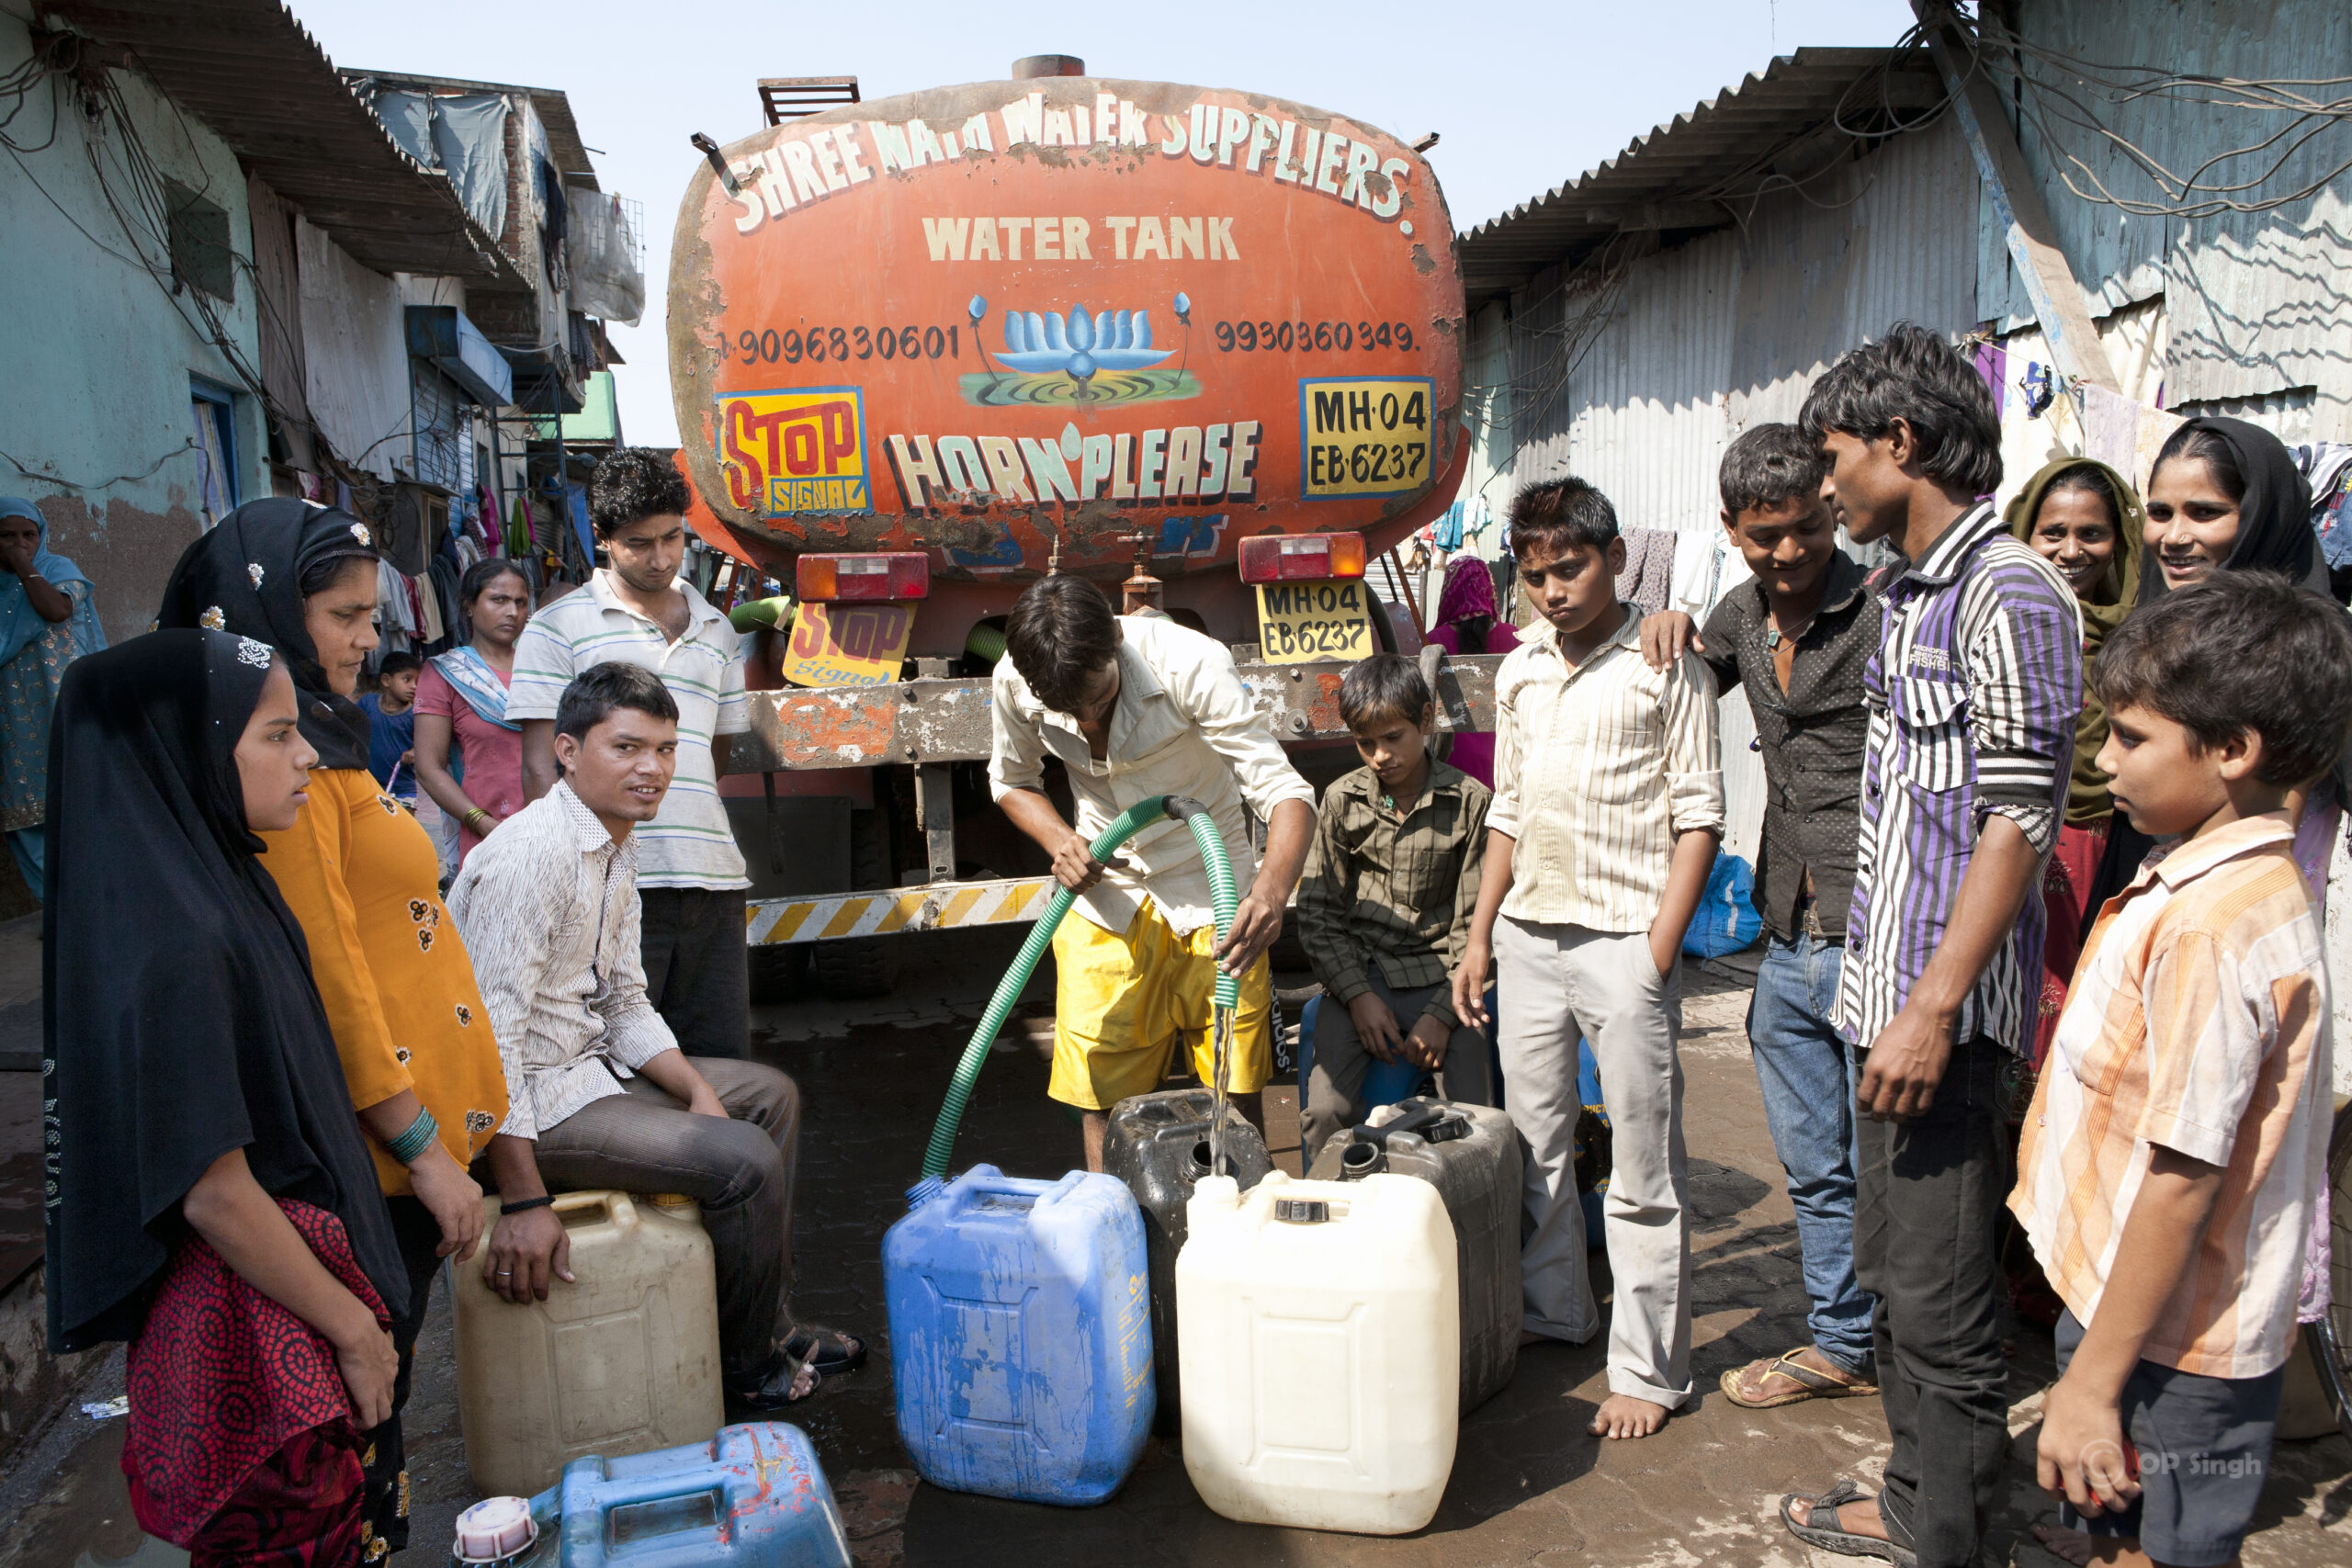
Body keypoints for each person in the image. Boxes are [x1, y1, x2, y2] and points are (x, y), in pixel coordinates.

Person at [1777, 325, 2080, 1568]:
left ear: (1901, 443)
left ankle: (1951, 1535)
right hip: (1884, 1004)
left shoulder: (2007, 588)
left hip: (1937, 1028)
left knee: (1945, 1308)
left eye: (1836, 457)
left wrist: (1930, 1006)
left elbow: (2020, 810)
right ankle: (1921, 1498)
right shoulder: (1913, 592)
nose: (1826, 485)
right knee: (1900, 1287)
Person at [156, 498, 509, 1561]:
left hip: (408, 1146)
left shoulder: (330, 739)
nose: (371, 640)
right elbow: (335, 978)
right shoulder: (281, 765)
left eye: (374, 615)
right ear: (261, 611)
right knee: (355, 1414)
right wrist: (420, 1150)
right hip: (366, 1155)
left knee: (378, 1410)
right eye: (346, 616)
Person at [44, 628, 407, 1565]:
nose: (308, 756)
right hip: (262, 1333)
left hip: (278, 1308)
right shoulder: (180, 942)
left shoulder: (215, 881)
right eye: (277, 736)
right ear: (192, 746)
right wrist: (355, 1331)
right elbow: (212, 1188)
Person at [2011, 572, 2347, 1568]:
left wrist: (2088, 1385)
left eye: (2129, 738)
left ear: (2233, 751)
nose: (2104, 761)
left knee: (2163, 1542)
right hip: (2135, 1310)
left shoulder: (2210, 928)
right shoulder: (2217, 883)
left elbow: (2182, 1174)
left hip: (2169, 1344)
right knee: (2111, 1526)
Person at [448, 661, 860, 1410]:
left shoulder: (617, 840)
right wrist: (523, 1200)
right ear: (568, 751)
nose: (652, 768)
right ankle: (744, 1373)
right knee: (744, 1159)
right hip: (529, 1107)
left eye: (666, 749)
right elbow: (487, 1046)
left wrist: (702, 1091)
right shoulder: (527, 856)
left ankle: (770, 1323)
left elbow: (625, 1001)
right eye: (628, 747)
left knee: (766, 1096)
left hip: (585, 1070)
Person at [1452, 476, 1724, 1441]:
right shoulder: (1519, 669)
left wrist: (1657, 949)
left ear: (1613, 556)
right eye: (1534, 575)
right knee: (1536, 1148)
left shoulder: (1667, 662)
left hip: (1623, 942)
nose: (1553, 590)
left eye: (1570, 566)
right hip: (1528, 935)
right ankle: (1554, 1311)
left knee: (1646, 1167)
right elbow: (1508, 811)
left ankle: (1650, 1371)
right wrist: (1481, 933)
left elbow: (1699, 813)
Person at [1636, 424, 1882, 1413]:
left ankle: (1916, 1346)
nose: (1787, 555)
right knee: (1812, 1163)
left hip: (1874, 921)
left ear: (1831, 513)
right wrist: (1665, 630)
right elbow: (1677, 697)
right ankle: (1840, 1341)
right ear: (1730, 527)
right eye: (1762, 535)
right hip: (1785, 928)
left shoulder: (1882, 613)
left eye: (1806, 531)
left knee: (1890, 1165)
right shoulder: (1738, 613)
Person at [989, 574, 1316, 1172]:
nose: (1087, 719)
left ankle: (1239, 1233)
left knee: (1236, 1083)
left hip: (1211, 884)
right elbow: (1011, 781)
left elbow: (1286, 792)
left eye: (1097, 696)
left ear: (1116, 636)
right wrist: (1060, 839)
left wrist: (1271, 891)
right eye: (1070, 710)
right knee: (1099, 1095)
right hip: (1105, 891)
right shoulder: (1017, 679)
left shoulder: (1193, 665)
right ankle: (1110, 1233)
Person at [512, 450, 751, 1061]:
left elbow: (710, 754)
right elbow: (542, 766)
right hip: (610, 883)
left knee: (718, 1066)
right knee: (616, 1068)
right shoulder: (556, 627)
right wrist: (571, 876)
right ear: (603, 538)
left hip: (711, 878)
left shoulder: (716, 629)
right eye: (640, 543)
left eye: (672, 537)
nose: (662, 557)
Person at [1294, 653, 1495, 1165]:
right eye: (1366, 744)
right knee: (1326, 1114)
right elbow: (1318, 914)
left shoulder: (1470, 802)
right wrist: (1358, 996)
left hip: (1446, 980)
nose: (1381, 755)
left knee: (1474, 1118)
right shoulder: (1342, 800)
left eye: (1394, 738)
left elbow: (1475, 924)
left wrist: (1442, 1016)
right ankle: (1332, 1223)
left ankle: (1469, 1232)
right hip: (1365, 974)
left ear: (1425, 722)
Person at [2006, 458, 2145, 1066]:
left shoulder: (2143, 640)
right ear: (2023, 535)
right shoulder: (1998, 623)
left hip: (2100, 844)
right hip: (2005, 841)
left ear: (2119, 543)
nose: (2070, 550)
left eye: (2092, 533)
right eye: (2052, 531)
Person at [0, 497, 105, 900]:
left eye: (29, 535)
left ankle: (92, 906)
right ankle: (60, 910)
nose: (19, 543)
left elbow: (56, 610)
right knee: (24, 815)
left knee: (80, 808)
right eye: (7, 536)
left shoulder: (56, 569)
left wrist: (24, 565)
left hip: (64, 705)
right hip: (12, 717)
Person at [416, 558, 533, 868]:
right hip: (487, 836)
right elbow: (429, 768)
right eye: (499, 600)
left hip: (550, 830)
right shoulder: (446, 674)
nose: (512, 612)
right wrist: (482, 823)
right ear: (468, 606)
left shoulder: (541, 670)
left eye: (520, 602)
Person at [1420, 554, 1522, 787]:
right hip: (1505, 759)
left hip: (1449, 761)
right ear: (1488, 589)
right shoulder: (1514, 637)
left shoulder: (1433, 641)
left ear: (1449, 592)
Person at [358, 651, 421, 800]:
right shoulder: (367, 703)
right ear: (386, 680)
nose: (414, 686)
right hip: (368, 782)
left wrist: (415, 751)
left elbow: (429, 743)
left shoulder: (416, 714)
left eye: (417, 682)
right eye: (407, 679)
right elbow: (350, 726)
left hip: (403, 786)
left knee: (405, 823)